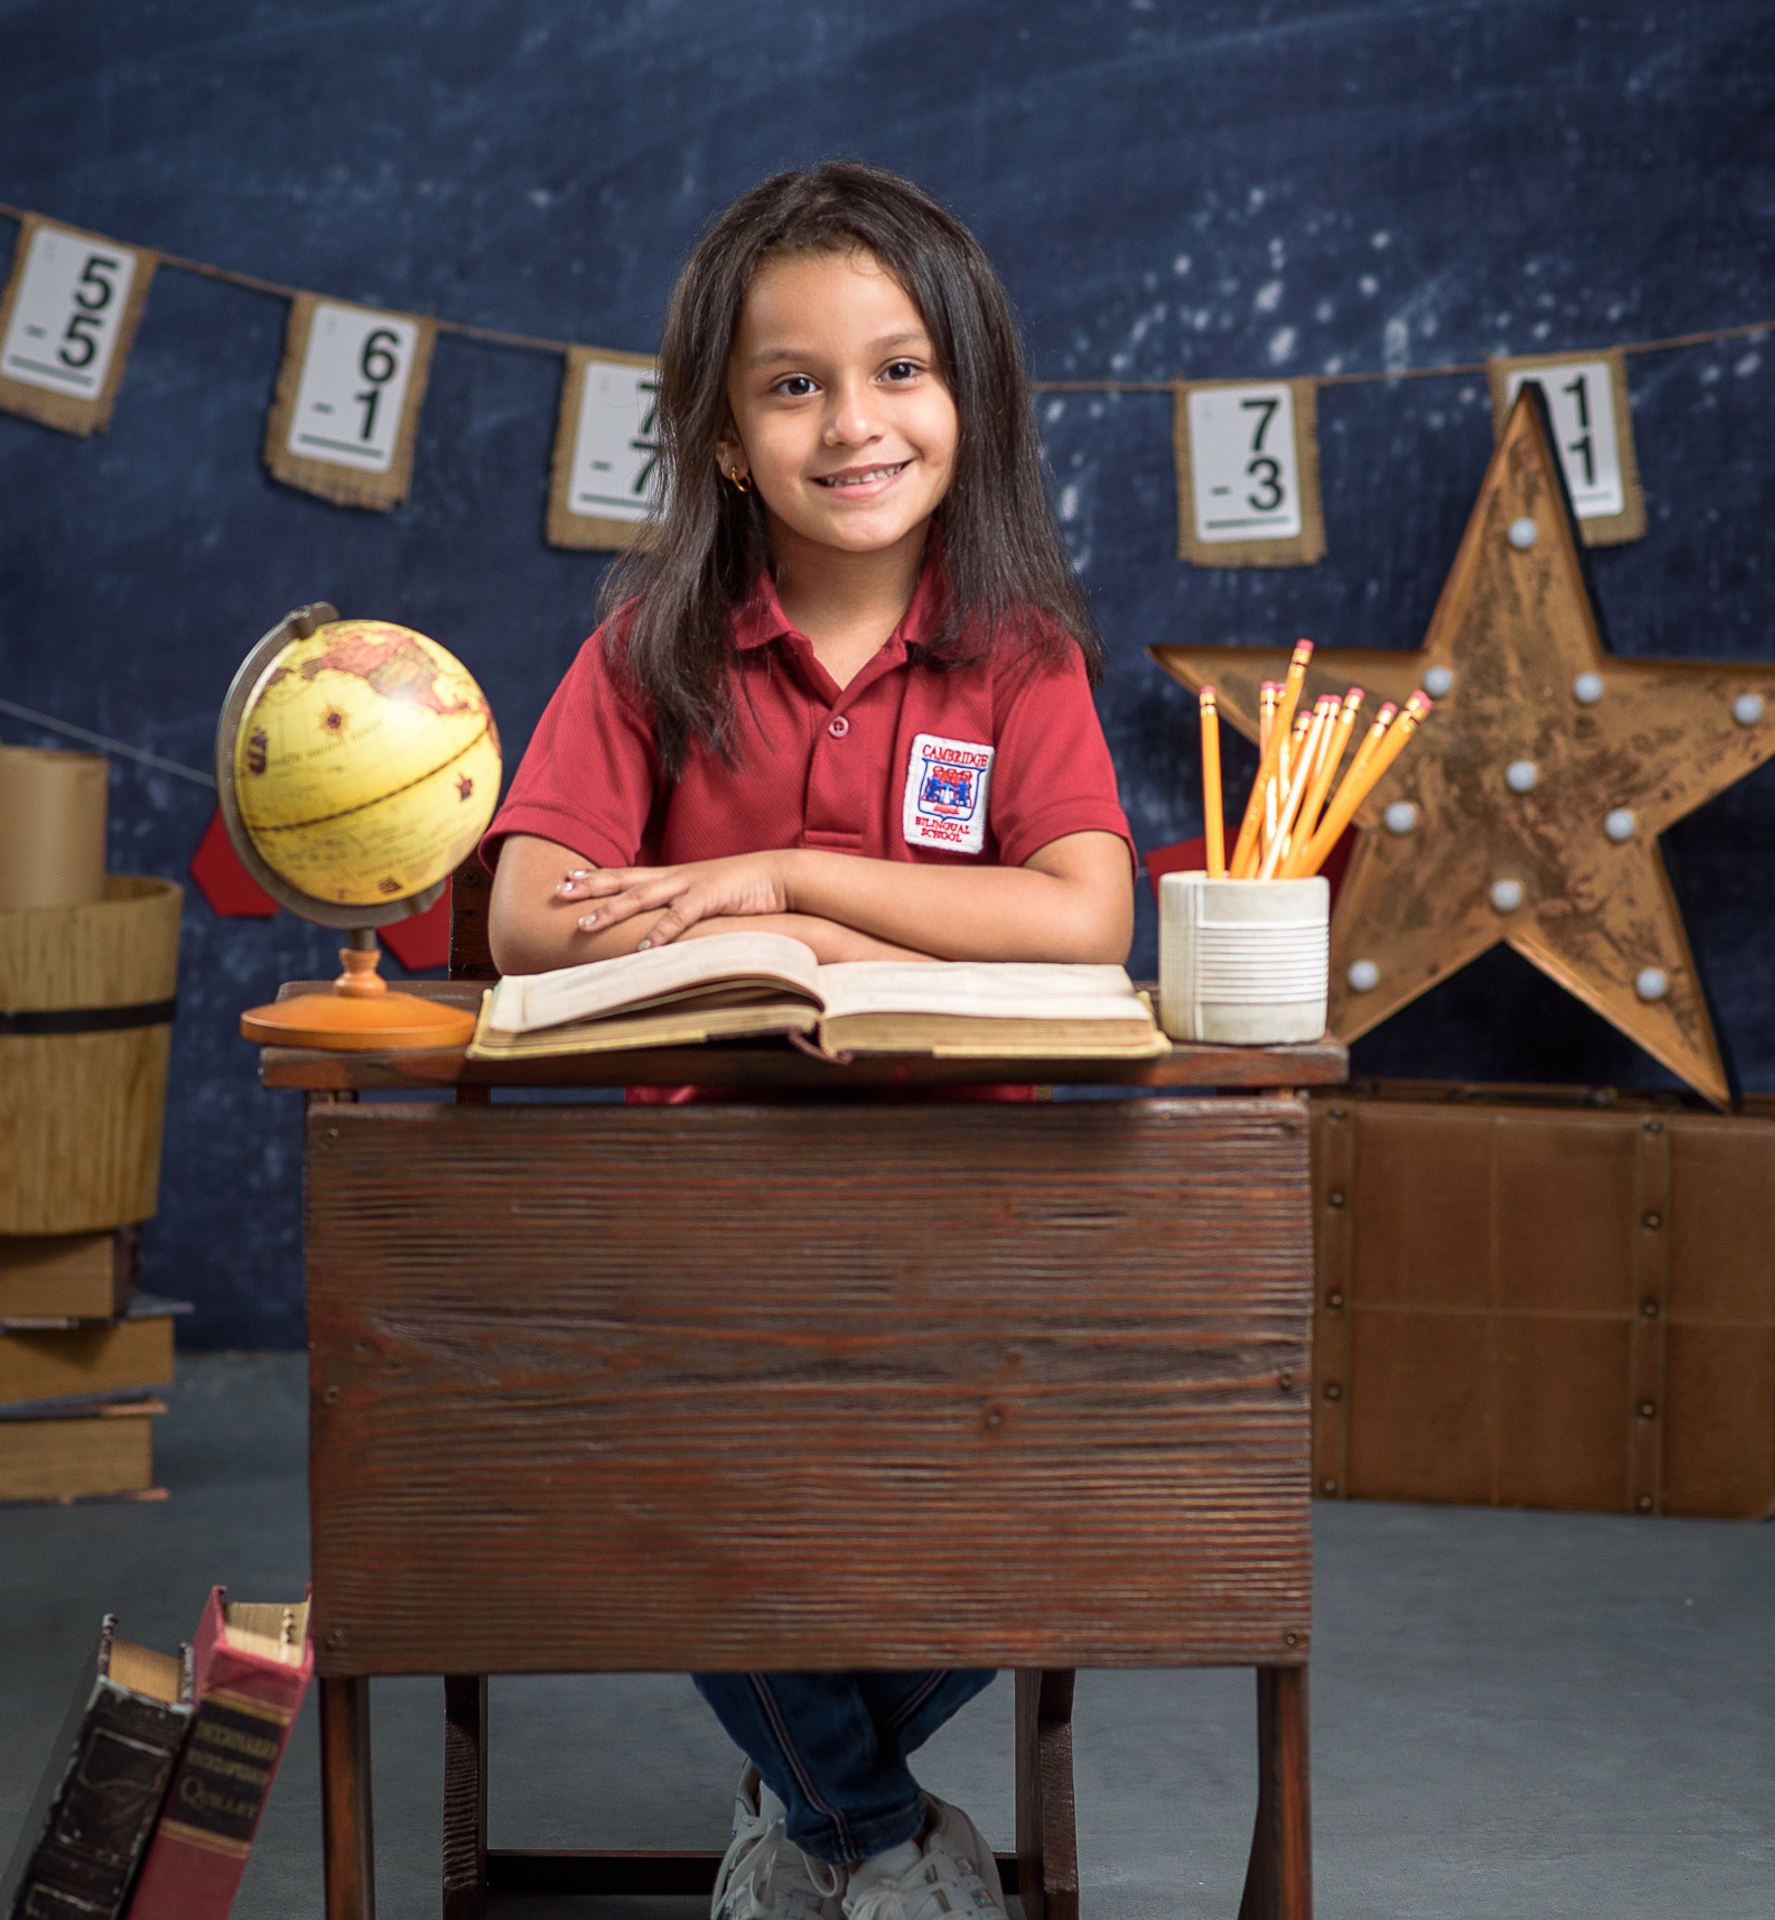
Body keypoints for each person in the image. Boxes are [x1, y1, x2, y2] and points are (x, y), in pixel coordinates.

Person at [480, 159, 1136, 1920]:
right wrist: (767, 928)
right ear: (718, 435)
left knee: (1085, 1503)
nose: (855, 424)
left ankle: (805, 1802)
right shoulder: (650, 654)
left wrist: (783, 885)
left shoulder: (1016, 656)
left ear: (968, 397)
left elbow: (1082, 912)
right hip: (698, 1237)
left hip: (970, 1229)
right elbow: (527, 917)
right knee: (658, 1499)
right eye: (793, 383)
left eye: (901, 369)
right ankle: (866, 1834)